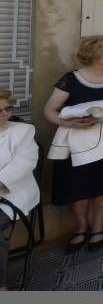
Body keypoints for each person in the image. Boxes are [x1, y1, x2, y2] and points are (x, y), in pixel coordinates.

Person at [43, 36, 103, 253]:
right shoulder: (71, 79)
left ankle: (98, 226)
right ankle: (81, 228)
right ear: (95, 54)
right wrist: (71, 123)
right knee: (76, 187)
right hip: (76, 142)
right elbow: (49, 110)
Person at [0, 90, 40, 289]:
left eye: (7, 108)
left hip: (12, 194)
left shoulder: (22, 131)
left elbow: (25, 162)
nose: (4, 113)